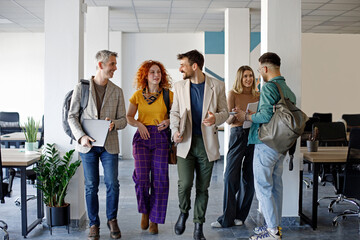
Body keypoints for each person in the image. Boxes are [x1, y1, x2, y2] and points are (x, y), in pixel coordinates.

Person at [68, 50, 127, 240]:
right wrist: (81, 137)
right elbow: (72, 116)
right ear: (101, 65)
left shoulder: (117, 91)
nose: (115, 68)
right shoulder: (82, 88)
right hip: (88, 146)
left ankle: (112, 219)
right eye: (112, 64)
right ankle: (94, 223)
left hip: (109, 144)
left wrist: (114, 124)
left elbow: (123, 120)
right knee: (91, 186)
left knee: (112, 184)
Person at [170, 49, 229, 240]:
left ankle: (198, 226)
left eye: (183, 65)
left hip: (207, 144)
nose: (180, 69)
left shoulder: (217, 86)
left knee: (203, 189)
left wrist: (216, 118)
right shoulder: (179, 87)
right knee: (185, 184)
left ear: (194, 66)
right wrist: (175, 131)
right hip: (185, 142)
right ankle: (183, 211)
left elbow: (225, 112)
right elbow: (175, 113)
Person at [237, 52, 296, 240]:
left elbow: (264, 117)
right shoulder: (287, 89)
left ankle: (272, 232)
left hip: (266, 144)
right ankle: (275, 228)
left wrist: (245, 116)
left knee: (263, 187)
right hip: (281, 146)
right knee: (276, 187)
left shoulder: (269, 87)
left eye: (258, 69)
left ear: (264, 68)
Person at [126, 60, 173, 235]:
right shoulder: (138, 95)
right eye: (152, 72)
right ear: (146, 75)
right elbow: (129, 116)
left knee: (160, 180)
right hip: (142, 137)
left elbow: (176, 115)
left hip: (161, 137)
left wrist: (168, 121)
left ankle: (155, 219)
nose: (156, 75)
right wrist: (139, 124)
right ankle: (144, 210)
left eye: (159, 72)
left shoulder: (169, 95)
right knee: (142, 178)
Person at [211, 66, 259, 228]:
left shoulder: (257, 95)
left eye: (251, 76)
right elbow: (228, 121)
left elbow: (260, 118)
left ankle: (240, 216)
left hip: (253, 135)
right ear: (240, 78)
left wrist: (250, 116)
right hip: (237, 134)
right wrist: (234, 114)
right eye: (245, 76)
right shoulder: (233, 94)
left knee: (249, 177)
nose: (248, 79)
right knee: (231, 176)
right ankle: (227, 218)